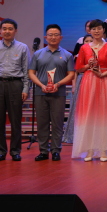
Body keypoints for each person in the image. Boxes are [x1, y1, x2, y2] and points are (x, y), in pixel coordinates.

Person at [0, 18, 31, 162]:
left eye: (10, 29)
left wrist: (25, 88)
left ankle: (15, 151)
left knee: (15, 120)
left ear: (15, 31)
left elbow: (26, 70)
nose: (7, 31)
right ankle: (0, 151)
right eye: (4, 29)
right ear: (0, 31)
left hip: (15, 84)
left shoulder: (23, 47)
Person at [71, 19, 107, 161]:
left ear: (103, 30)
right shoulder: (84, 48)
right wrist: (88, 65)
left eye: (99, 28)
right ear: (89, 31)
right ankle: (89, 150)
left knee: (104, 114)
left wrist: (103, 74)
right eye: (93, 29)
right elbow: (78, 68)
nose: (96, 31)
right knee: (88, 113)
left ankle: (103, 149)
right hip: (89, 81)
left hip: (104, 80)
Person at [28, 24, 75, 161]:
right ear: (45, 37)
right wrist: (41, 85)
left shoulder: (67, 55)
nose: (53, 37)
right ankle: (43, 151)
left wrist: (58, 84)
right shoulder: (38, 54)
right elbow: (31, 73)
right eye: (50, 35)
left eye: (56, 35)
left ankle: (56, 150)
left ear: (61, 37)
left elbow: (71, 74)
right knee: (42, 123)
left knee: (57, 123)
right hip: (40, 92)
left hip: (58, 93)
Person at [63, 34, 92, 144]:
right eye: (86, 41)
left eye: (91, 40)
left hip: (94, 80)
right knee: (79, 107)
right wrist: (74, 85)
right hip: (82, 80)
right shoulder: (79, 55)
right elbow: (75, 72)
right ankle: (76, 135)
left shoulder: (98, 53)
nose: (88, 43)